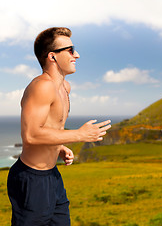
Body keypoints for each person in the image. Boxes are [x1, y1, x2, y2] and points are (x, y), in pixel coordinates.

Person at [7, 27, 111, 225]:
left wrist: (59, 146)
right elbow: (31, 135)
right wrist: (79, 135)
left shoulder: (65, 87)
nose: (77, 55)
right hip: (31, 178)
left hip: (52, 175)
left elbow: (48, 127)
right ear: (52, 57)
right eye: (70, 50)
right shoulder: (42, 86)